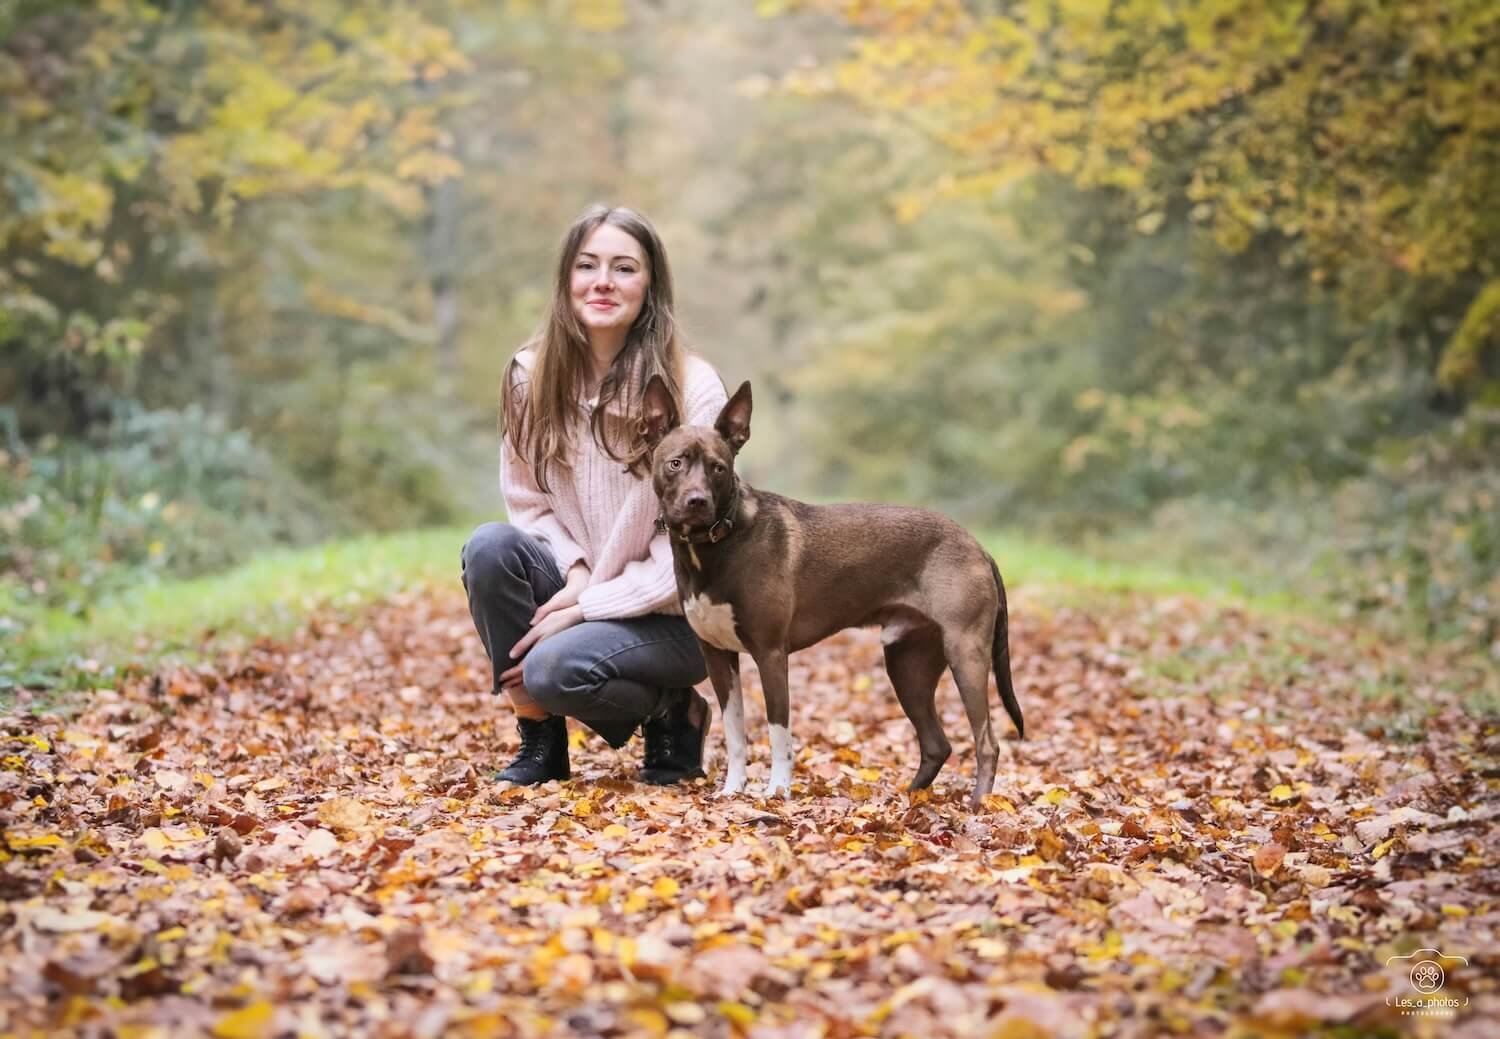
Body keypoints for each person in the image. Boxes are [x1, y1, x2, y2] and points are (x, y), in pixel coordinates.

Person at [461, 204, 727, 786]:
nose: (603, 281)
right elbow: (528, 503)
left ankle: (673, 710)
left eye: (624, 268)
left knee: (554, 668)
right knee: (489, 548)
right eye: (587, 265)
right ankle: (539, 739)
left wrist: (587, 606)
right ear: (566, 280)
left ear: (650, 286)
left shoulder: (693, 387)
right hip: (584, 587)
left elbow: (690, 552)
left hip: (672, 618)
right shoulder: (528, 376)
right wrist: (578, 573)